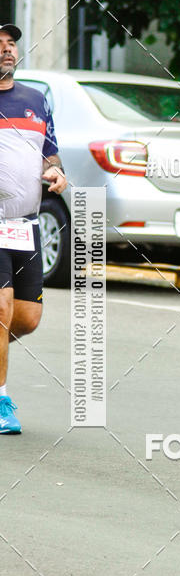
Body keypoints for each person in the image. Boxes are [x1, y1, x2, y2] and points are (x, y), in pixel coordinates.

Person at [0, 23, 67, 433]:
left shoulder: (35, 99)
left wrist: (56, 173)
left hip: (24, 223)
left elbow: (50, 155)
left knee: (25, 318)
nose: (7, 51)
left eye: (11, 45)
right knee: (1, 307)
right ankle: (1, 399)